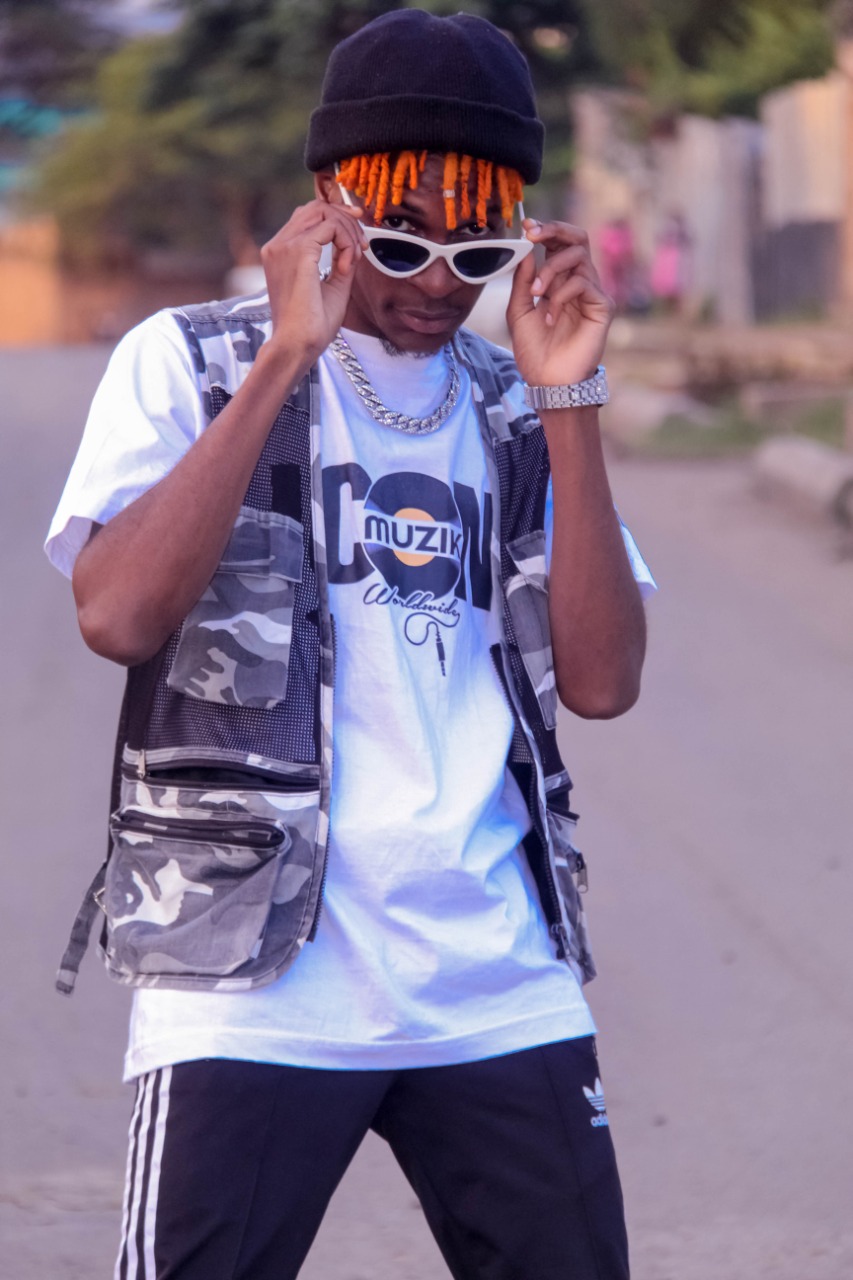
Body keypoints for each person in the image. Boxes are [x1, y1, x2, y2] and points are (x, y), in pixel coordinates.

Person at [46, 11, 656, 1279]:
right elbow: (117, 615)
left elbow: (601, 681)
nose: (437, 282)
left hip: (491, 972)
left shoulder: (512, 401)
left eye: (473, 248)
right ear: (329, 202)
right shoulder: (189, 361)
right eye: (400, 239)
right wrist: (286, 355)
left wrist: (570, 398)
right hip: (250, 984)